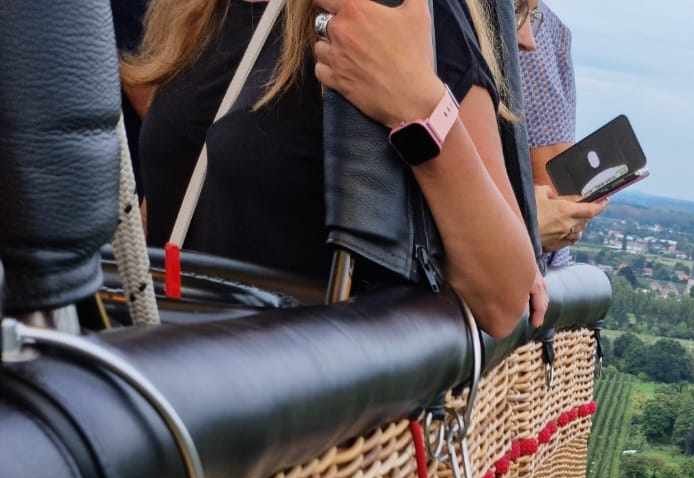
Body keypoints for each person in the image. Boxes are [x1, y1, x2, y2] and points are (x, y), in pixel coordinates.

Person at [127, 0, 543, 337]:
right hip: (175, 384)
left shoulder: (398, 8)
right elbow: (175, 197)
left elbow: (503, 297)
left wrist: (419, 109)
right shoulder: (188, 11)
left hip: (300, 409)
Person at [516, 0, 606, 259]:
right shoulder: (530, 19)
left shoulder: (545, 25)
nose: (526, 41)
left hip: (525, 261)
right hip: (514, 264)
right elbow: (560, 194)